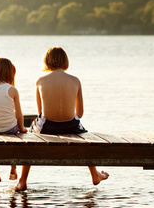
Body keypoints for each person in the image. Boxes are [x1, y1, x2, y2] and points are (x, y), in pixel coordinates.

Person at [15, 47, 109, 191]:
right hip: (71, 125)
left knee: (30, 137)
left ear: (46, 61)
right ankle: (94, 174)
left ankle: (22, 181)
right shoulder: (75, 80)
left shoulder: (40, 80)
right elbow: (80, 113)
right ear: (65, 60)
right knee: (85, 136)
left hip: (47, 126)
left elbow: (40, 112)